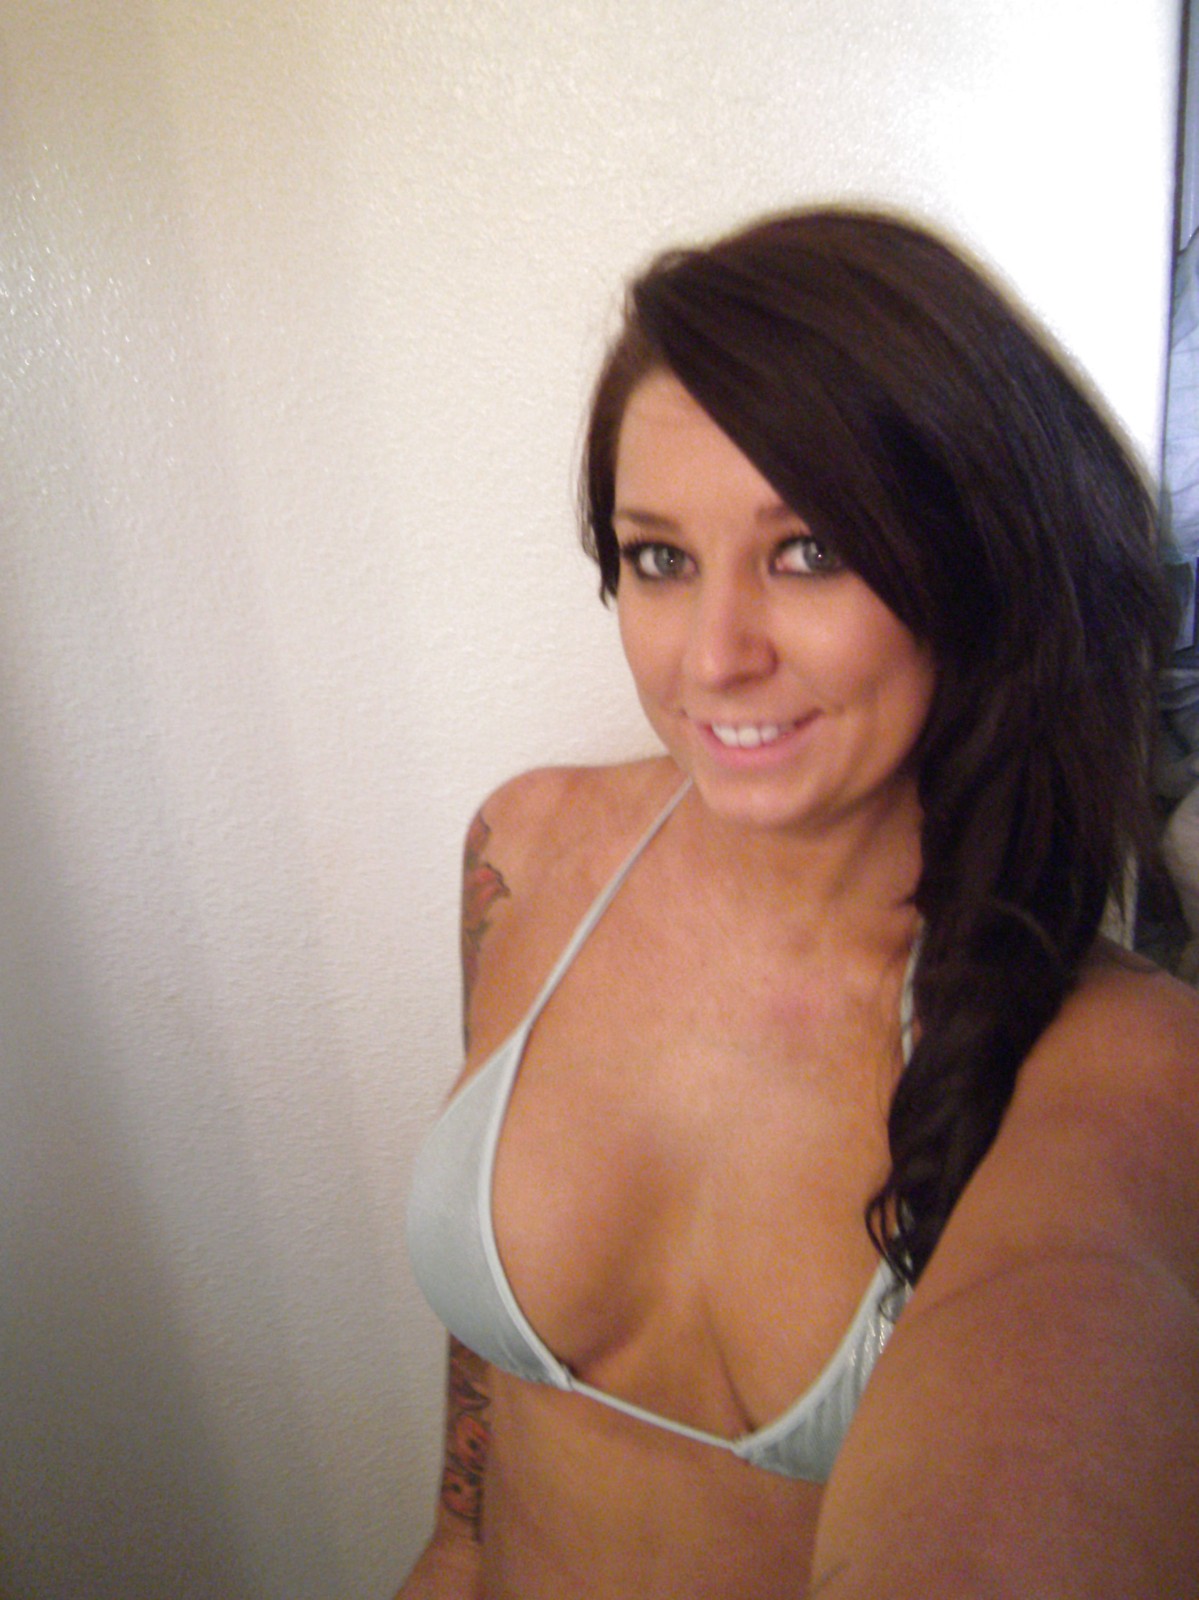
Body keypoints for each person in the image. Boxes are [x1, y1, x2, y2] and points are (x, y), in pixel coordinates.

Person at [401, 209, 1199, 1600]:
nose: (715, 657)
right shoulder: (525, 855)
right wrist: (452, 1549)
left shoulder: (1122, 1064)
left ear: (983, 560)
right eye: (660, 558)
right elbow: (486, 1405)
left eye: (811, 550)